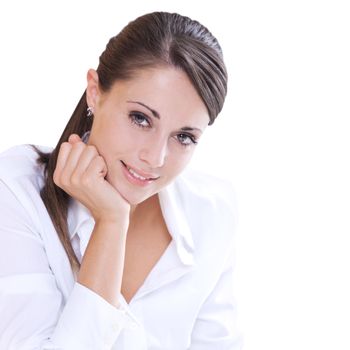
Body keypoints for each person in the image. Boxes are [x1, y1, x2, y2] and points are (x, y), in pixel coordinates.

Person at [0, 11, 242, 350]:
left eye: (184, 137)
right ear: (95, 92)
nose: (155, 158)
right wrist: (111, 223)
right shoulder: (17, 189)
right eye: (141, 118)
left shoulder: (211, 210)